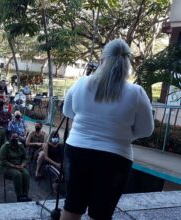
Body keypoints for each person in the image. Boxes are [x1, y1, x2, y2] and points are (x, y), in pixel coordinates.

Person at [60, 39, 154, 220]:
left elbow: (68, 111)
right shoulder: (136, 93)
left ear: (103, 59)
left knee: (72, 207)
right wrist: (123, 135)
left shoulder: (81, 83)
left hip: (77, 151)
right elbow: (146, 130)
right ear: (128, 63)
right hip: (115, 158)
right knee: (101, 214)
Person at [0, 132, 31, 202]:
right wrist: (13, 166)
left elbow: (25, 158)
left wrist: (22, 164)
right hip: (7, 167)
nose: (15, 139)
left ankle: (25, 195)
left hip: (19, 166)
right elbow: (3, 160)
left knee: (26, 174)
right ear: (9, 138)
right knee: (18, 175)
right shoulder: (5, 147)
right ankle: (19, 196)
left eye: (16, 137)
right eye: (13, 137)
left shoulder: (20, 145)